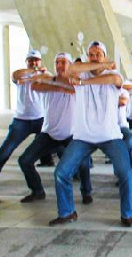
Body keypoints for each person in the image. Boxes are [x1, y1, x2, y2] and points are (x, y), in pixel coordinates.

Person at [48, 41, 132, 227]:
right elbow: (71, 69)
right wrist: (98, 67)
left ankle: (126, 214)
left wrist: (84, 82)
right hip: (83, 137)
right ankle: (67, 212)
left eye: (98, 54)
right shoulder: (78, 72)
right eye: (91, 54)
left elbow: (113, 80)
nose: (94, 57)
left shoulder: (114, 75)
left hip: (110, 136)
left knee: (125, 173)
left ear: (104, 56)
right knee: (61, 173)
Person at [18, 53, 92, 204]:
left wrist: (56, 83)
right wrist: (57, 85)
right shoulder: (49, 78)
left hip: (72, 134)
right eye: (57, 62)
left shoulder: (78, 81)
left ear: (70, 66)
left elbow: (73, 88)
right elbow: (36, 85)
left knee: (83, 163)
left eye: (63, 62)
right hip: (49, 133)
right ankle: (37, 190)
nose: (59, 66)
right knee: (25, 160)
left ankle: (86, 192)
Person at [0, 50, 46, 180]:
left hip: (41, 119)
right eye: (30, 60)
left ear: (40, 61)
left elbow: (52, 79)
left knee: (60, 143)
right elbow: (15, 75)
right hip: (22, 120)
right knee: (6, 149)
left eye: (36, 60)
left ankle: (74, 172)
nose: (33, 62)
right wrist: (32, 72)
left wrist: (40, 73)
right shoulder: (22, 75)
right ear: (26, 62)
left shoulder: (45, 74)